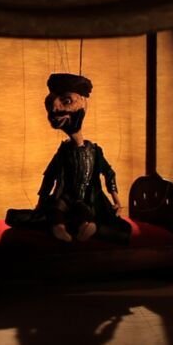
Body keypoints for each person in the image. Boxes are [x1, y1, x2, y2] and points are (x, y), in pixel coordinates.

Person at [35, 72, 130, 243]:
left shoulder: (95, 151)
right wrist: (41, 203)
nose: (54, 109)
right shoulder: (64, 151)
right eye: (50, 104)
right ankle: (60, 228)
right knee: (55, 211)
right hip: (65, 199)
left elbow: (109, 174)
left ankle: (88, 228)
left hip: (88, 200)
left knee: (96, 219)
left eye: (67, 101)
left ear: (83, 103)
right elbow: (49, 176)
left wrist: (116, 201)